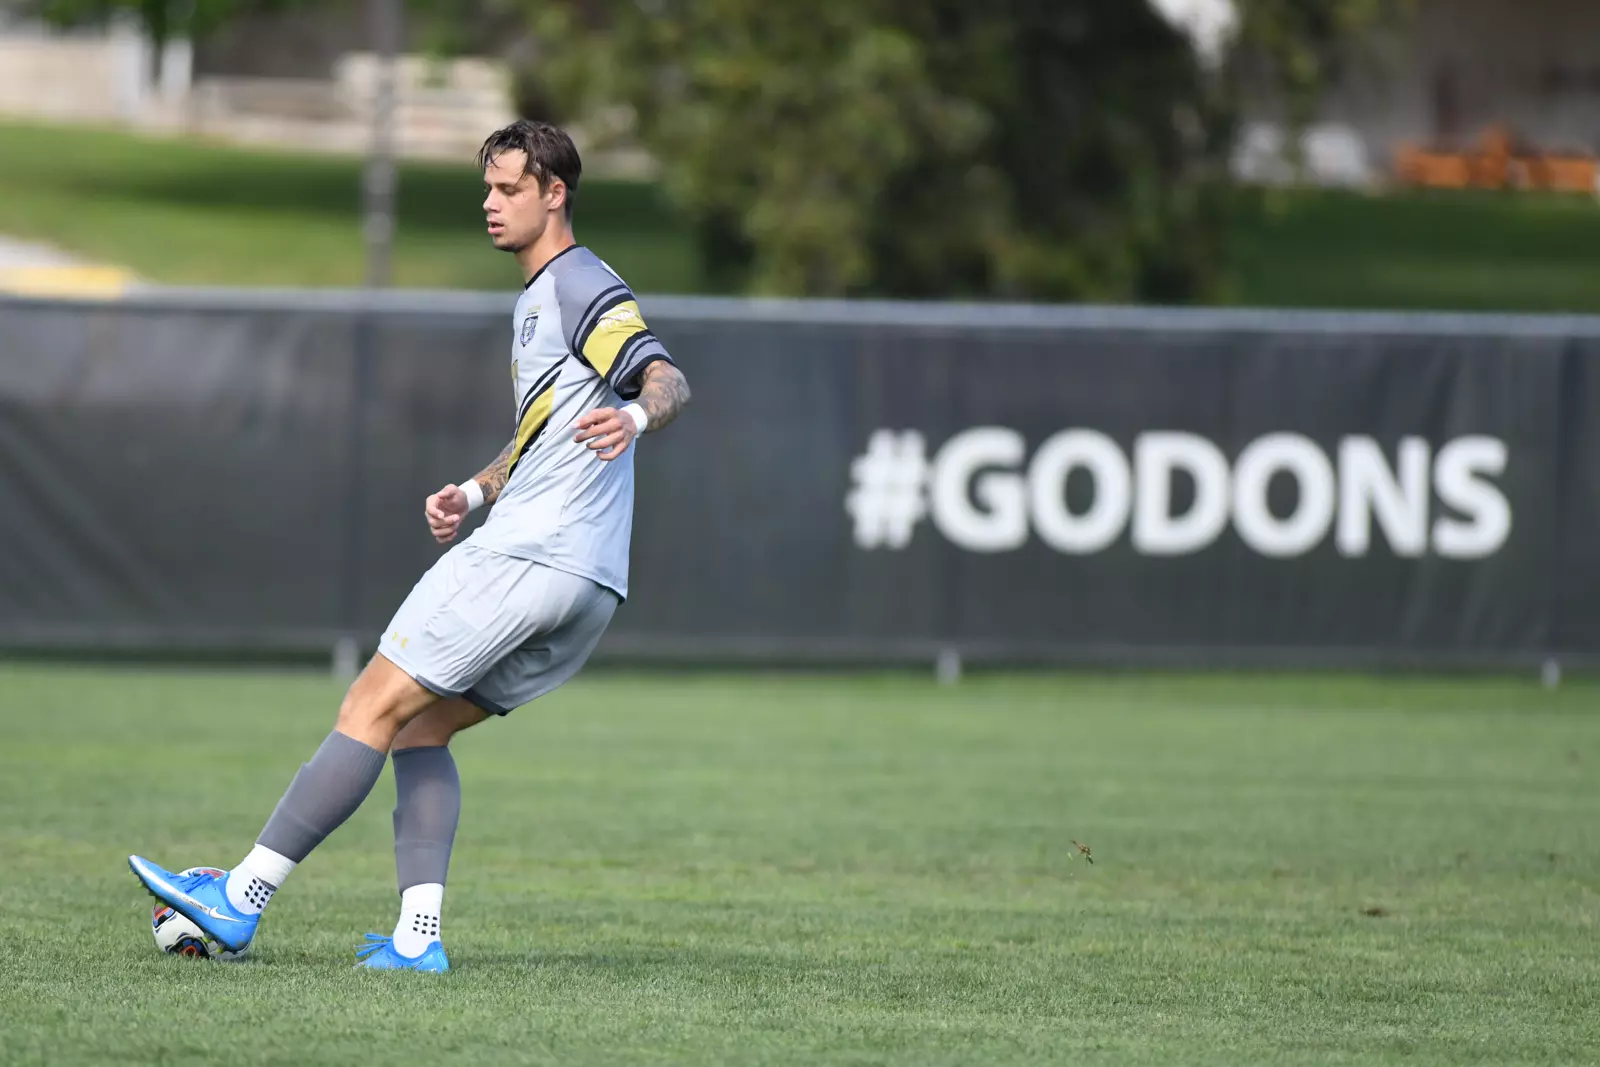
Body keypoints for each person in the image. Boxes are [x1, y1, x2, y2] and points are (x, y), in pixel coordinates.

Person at [128, 119, 692, 973]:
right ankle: (415, 940)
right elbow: (542, 434)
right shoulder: (545, 295)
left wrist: (642, 412)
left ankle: (238, 898)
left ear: (554, 193)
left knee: (367, 704)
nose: (490, 204)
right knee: (420, 729)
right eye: (488, 188)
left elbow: (666, 376)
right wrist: (473, 491)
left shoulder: (580, 285)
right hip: (589, 585)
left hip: (530, 558)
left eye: (509, 189)